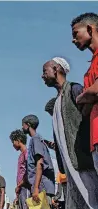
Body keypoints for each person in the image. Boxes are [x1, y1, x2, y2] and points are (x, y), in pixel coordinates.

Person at [42, 57, 98, 209]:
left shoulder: (75, 89)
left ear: (56, 69)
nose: (42, 76)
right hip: (69, 167)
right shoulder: (57, 102)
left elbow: (87, 119)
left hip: (83, 162)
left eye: (45, 71)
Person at [71, 12, 98, 176]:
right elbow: (85, 109)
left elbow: (95, 91)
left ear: (90, 28)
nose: (73, 40)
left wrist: (82, 97)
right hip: (94, 139)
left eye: (76, 34)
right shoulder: (89, 70)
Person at [21, 115, 55, 206]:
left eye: (23, 125)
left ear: (28, 125)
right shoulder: (38, 139)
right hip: (42, 186)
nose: (22, 127)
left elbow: (40, 163)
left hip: (41, 187)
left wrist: (36, 188)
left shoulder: (35, 139)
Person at [9, 129, 29, 209]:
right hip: (21, 189)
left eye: (13, 142)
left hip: (26, 187)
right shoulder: (21, 155)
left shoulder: (27, 153)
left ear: (18, 140)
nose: (13, 145)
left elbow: (29, 172)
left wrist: (19, 185)